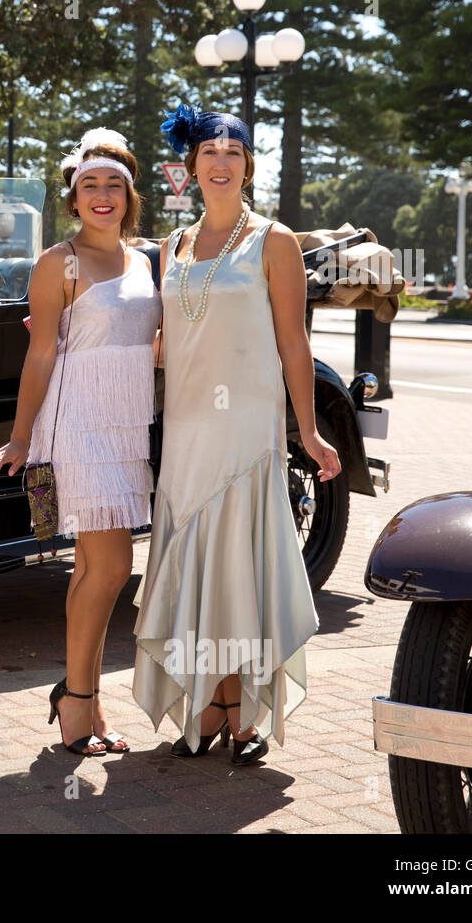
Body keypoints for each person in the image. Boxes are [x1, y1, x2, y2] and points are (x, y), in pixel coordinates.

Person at [131, 104, 341, 766]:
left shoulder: (274, 242)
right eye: (209, 154)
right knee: (196, 562)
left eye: (234, 153)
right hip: (187, 425)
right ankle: (211, 702)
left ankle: (246, 707)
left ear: (248, 165)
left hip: (247, 427)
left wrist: (308, 430)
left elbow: (294, 342)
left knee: (237, 565)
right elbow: (168, 339)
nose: (220, 164)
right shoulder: (174, 246)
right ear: (190, 167)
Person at [0, 128, 160, 756]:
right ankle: (79, 700)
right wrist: (20, 439)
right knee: (111, 568)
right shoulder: (59, 262)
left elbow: (152, 342)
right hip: (79, 421)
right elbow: (38, 355)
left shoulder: (144, 261)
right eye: (90, 186)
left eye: (114, 185)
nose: (102, 195)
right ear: (74, 197)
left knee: (93, 567)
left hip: (128, 423)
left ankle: (79, 700)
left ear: (130, 195)